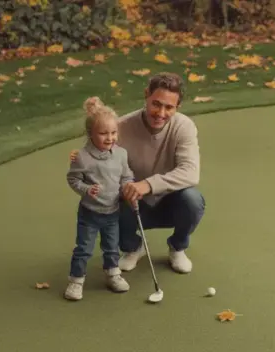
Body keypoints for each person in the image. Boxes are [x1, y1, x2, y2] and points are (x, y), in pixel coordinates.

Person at [71, 73, 205, 274]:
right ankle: (133, 247)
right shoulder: (121, 127)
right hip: (132, 204)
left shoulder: (184, 126)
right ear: (146, 96)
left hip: (170, 202)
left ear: (177, 107)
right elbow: (97, 158)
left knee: (193, 200)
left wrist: (148, 185)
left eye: (169, 107)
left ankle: (177, 247)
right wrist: (82, 158)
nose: (161, 113)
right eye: (156, 104)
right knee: (110, 198)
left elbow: (190, 173)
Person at [64, 96, 135, 301]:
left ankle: (113, 273)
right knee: (84, 248)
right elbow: (73, 178)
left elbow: (126, 175)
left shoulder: (121, 154)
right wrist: (86, 189)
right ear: (90, 134)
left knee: (111, 247)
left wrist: (128, 187)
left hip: (112, 211)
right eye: (103, 133)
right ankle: (76, 280)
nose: (109, 137)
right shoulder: (82, 157)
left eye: (113, 133)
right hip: (90, 213)